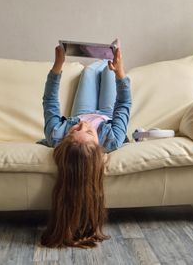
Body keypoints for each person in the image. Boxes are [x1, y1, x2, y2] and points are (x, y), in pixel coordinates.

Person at [40, 43, 132, 248]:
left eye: (74, 131)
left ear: (65, 141)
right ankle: (109, 53)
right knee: (108, 73)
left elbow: (50, 101)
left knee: (90, 71)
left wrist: (58, 65)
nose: (84, 125)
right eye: (88, 132)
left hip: (81, 109)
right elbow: (124, 104)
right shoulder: (112, 139)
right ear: (99, 148)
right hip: (107, 114)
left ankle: (102, 56)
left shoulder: (56, 135)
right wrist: (120, 71)